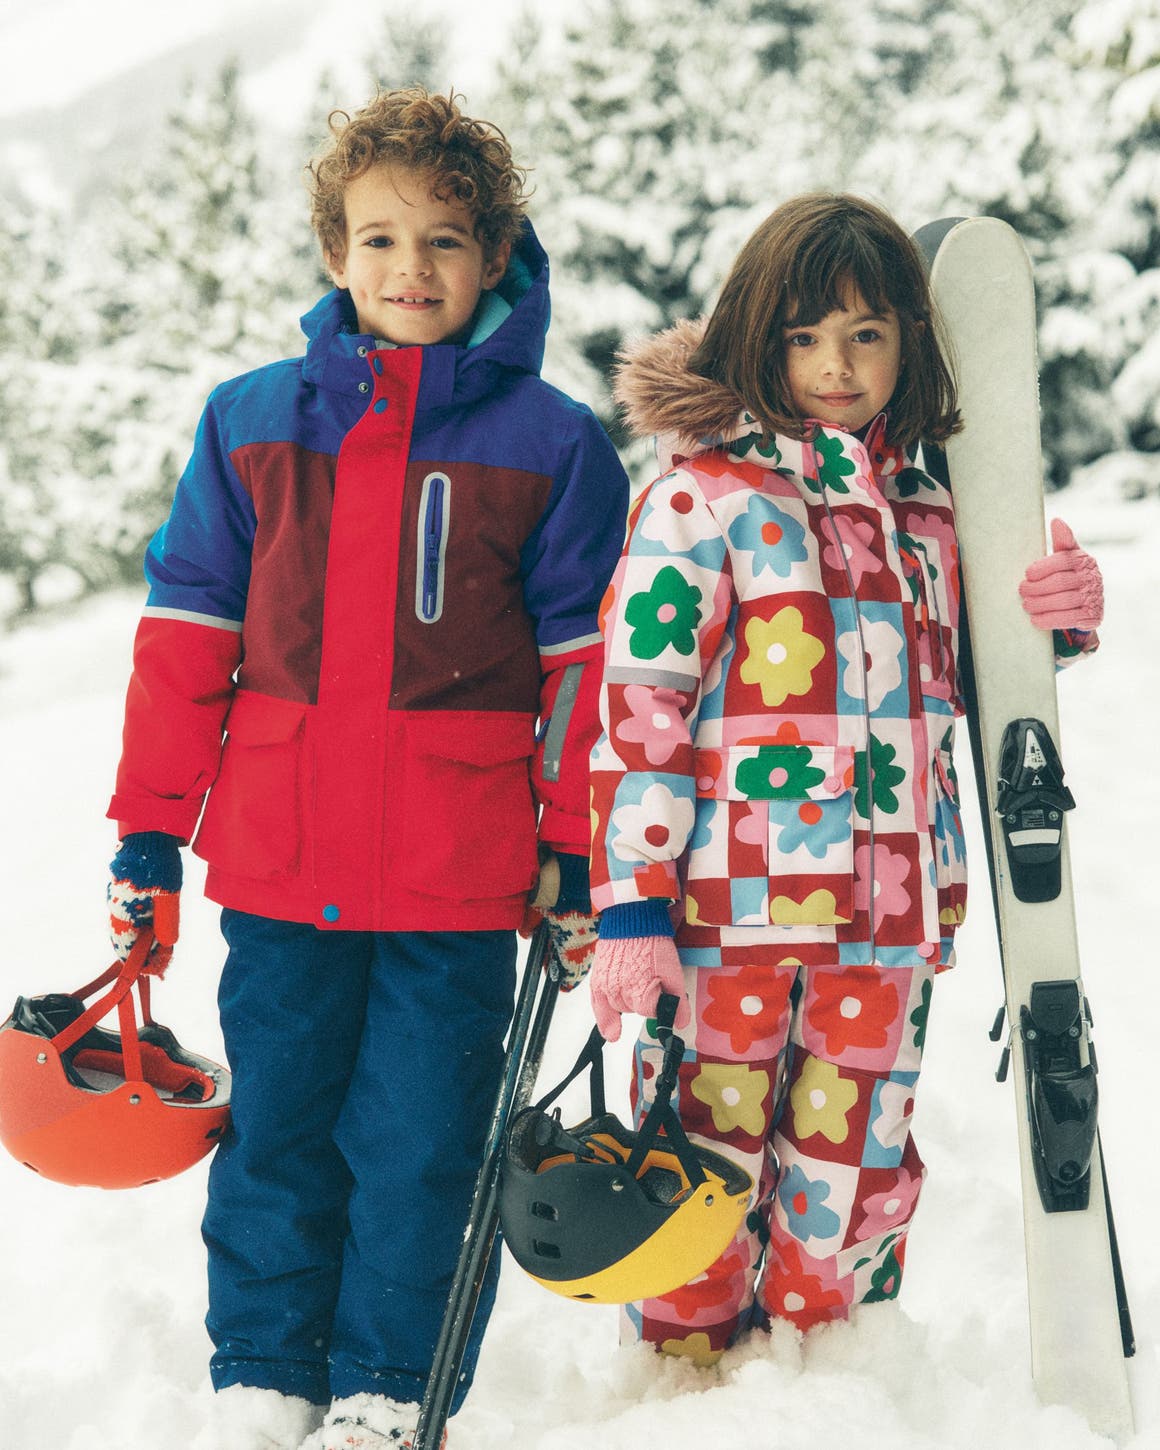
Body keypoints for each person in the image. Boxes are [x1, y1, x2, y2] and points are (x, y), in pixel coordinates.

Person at [105, 87, 628, 1450]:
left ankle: (388, 1391)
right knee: (276, 1134)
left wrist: (578, 844)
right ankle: (265, 1373)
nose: (412, 270)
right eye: (380, 238)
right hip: (277, 869)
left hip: (455, 884)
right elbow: (184, 639)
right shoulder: (250, 423)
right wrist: (149, 832)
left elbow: (588, 673)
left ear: (496, 253)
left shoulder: (554, 446)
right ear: (334, 251)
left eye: (447, 240)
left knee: (417, 1151)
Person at [586, 193, 1103, 1365]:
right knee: (700, 1166)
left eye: (866, 335)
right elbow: (640, 707)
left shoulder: (929, 510)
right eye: (803, 335)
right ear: (754, 335)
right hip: (723, 921)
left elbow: (982, 671)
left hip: (886, 922)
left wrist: (1052, 625)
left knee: (853, 1166)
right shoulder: (701, 497)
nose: (834, 365)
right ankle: (690, 1375)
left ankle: (824, 1379)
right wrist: (628, 898)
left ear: (906, 348)